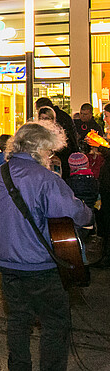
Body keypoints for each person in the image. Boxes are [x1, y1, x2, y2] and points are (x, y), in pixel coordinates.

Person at [0, 121, 93, 370]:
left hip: (7, 264)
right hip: (40, 266)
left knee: (17, 321)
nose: (49, 156)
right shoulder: (46, 179)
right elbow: (76, 212)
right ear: (37, 149)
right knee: (55, 324)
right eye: (48, 151)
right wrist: (89, 214)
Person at [86, 102, 110, 267]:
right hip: (106, 182)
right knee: (104, 218)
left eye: (107, 115)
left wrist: (100, 145)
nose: (104, 118)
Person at [35, 97, 79, 181]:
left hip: (60, 159)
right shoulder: (63, 116)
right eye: (42, 118)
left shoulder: (57, 123)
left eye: (46, 118)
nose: (44, 121)